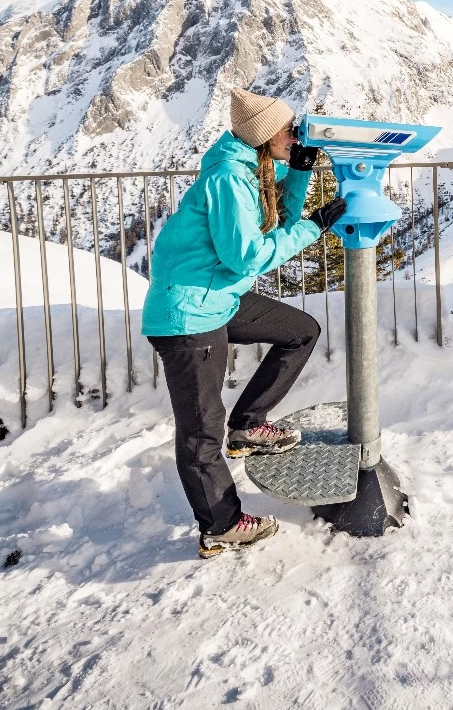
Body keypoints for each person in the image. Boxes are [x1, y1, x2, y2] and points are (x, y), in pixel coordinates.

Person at [142, 88, 348, 558]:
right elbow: (247, 257)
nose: (295, 133)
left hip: (218, 298)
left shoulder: (256, 170)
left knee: (300, 331)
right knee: (200, 431)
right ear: (263, 135)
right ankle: (222, 524)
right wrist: (315, 227)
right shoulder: (229, 180)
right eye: (287, 128)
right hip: (188, 314)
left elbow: (277, 227)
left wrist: (297, 173)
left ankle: (249, 425)